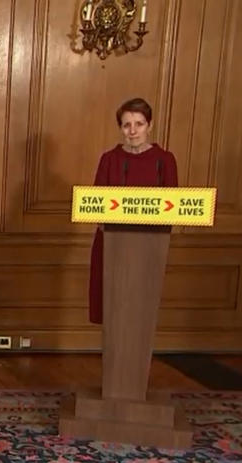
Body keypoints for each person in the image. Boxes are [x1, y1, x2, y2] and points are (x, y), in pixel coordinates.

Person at [88, 97, 177, 324]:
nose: (133, 130)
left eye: (139, 124)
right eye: (127, 125)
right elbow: (97, 206)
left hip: (148, 248)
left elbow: (172, 208)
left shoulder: (164, 160)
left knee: (140, 313)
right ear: (120, 128)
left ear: (150, 125)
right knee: (113, 310)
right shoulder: (109, 159)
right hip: (112, 247)